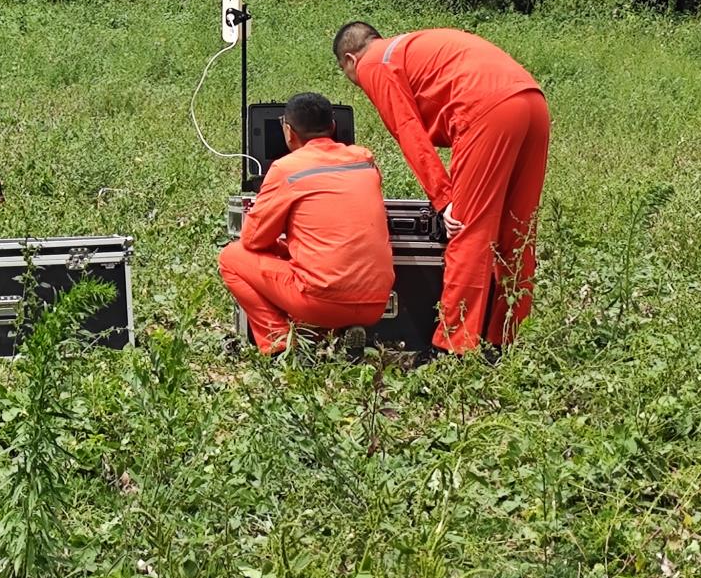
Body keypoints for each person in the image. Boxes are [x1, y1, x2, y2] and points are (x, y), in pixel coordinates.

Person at [334, 21, 547, 355]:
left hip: (487, 109)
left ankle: (453, 348)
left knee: (467, 229)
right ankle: (504, 338)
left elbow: (408, 130)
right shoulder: (405, 49)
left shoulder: (373, 62)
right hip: (532, 101)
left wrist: (444, 199)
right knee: (517, 231)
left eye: (348, 74)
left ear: (349, 59)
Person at [218, 92, 395, 354]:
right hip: (376, 303)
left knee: (231, 257)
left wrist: (282, 243)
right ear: (333, 126)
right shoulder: (365, 161)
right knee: (307, 264)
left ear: (288, 132)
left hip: (319, 301)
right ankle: (333, 335)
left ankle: (279, 343)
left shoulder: (286, 169)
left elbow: (253, 241)